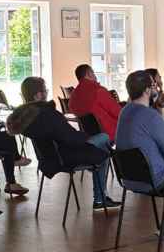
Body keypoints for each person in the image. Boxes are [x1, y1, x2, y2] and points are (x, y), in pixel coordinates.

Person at [7, 77, 117, 209]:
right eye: (45, 90)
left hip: (48, 159)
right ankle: (100, 198)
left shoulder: (25, 117)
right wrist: (87, 138)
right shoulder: (47, 114)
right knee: (104, 141)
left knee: (101, 147)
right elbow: (71, 138)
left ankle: (97, 179)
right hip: (65, 156)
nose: (47, 93)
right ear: (38, 95)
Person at [68, 64, 121, 140]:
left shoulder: (73, 96)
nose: (95, 76)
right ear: (88, 74)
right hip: (110, 133)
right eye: (93, 73)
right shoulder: (98, 90)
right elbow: (118, 113)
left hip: (88, 136)